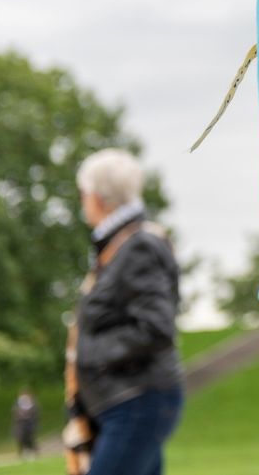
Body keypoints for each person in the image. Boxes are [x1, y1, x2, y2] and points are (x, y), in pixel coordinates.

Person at [67, 149, 183, 475]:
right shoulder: (121, 245)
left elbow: (156, 327)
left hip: (136, 401)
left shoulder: (138, 245)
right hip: (130, 401)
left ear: (98, 197)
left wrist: (91, 356)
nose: (82, 202)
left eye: (83, 194)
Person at [11, 390, 39, 460]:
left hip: (29, 425)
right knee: (20, 439)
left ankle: (32, 451)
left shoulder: (32, 404)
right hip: (20, 425)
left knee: (30, 439)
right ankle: (21, 453)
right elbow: (15, 413)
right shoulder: (18, 404)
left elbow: (35, 414)